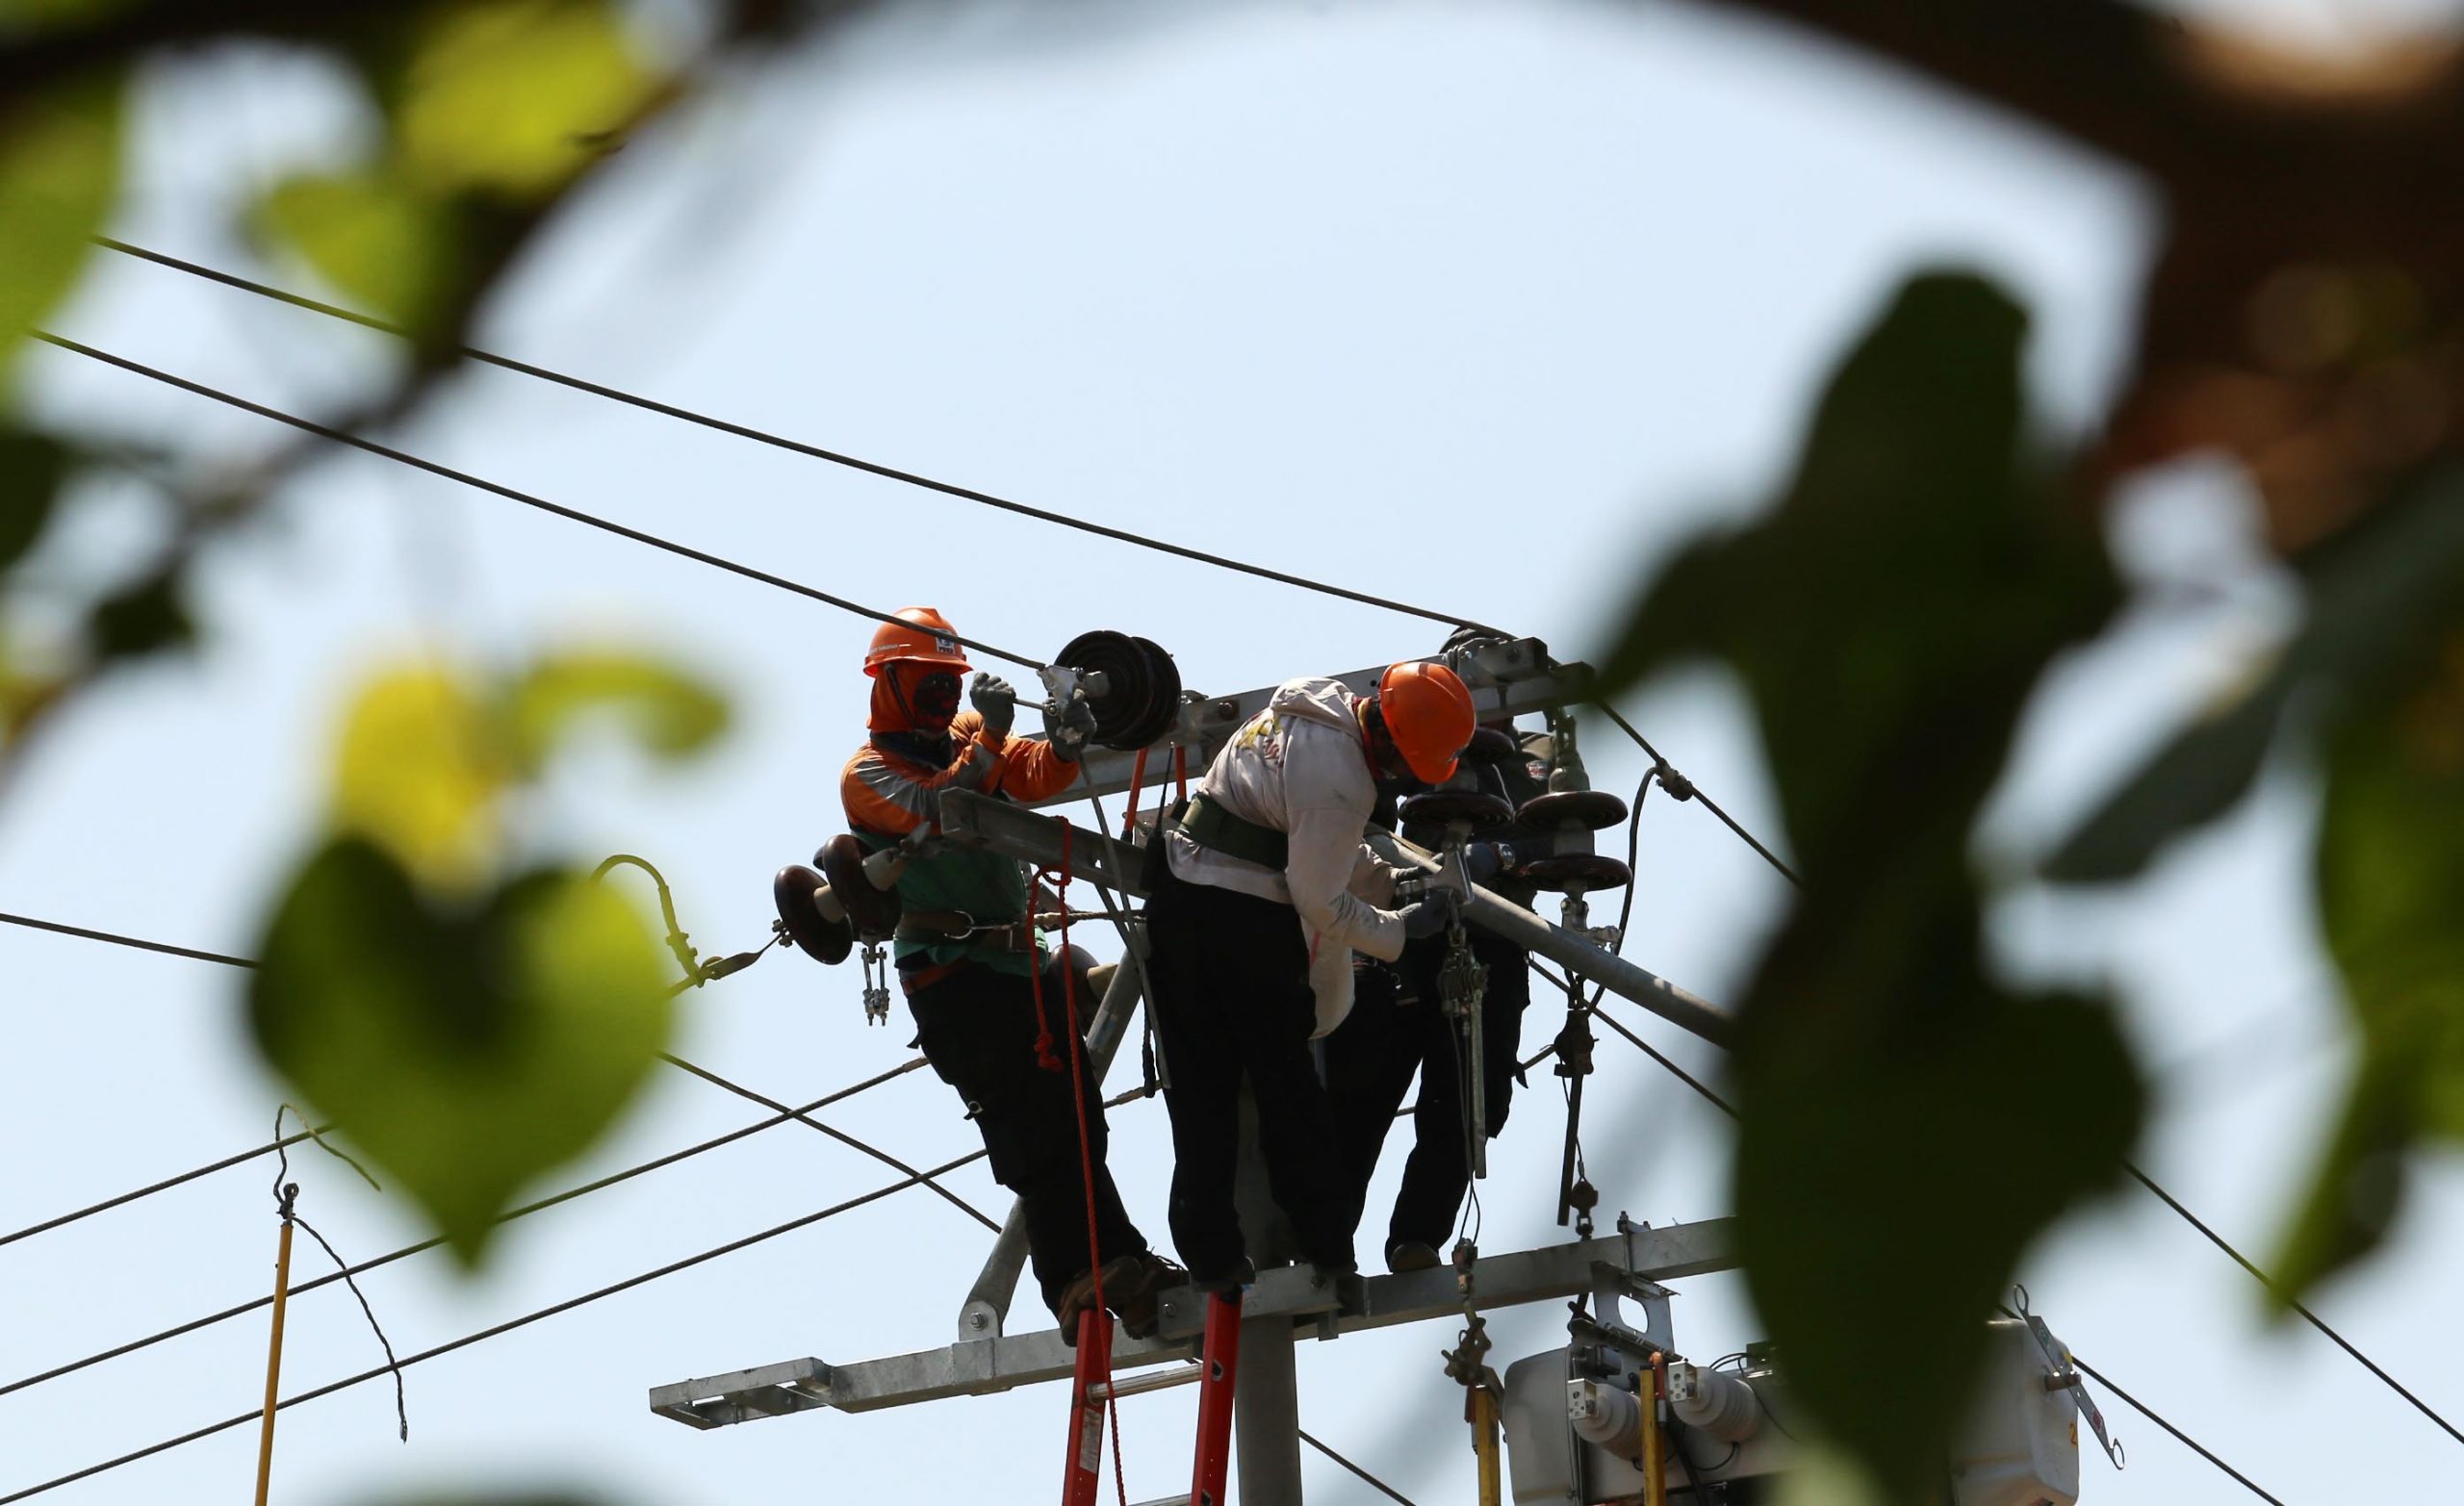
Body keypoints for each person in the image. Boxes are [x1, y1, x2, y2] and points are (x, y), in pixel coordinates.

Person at [840, 606, 1175, 1338]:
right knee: (1034, 1132)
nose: (944, 700)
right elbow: (940, 808)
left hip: (1022, 965)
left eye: (948, 686)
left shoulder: (966, 737)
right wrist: (990, 736)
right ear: (888, 684)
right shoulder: (868, 775)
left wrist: (1063, 742)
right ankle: (1079, 1276)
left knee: (1078, 1118)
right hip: (954, 975)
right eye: (929, 686)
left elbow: (1029, 775)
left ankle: (1115, 1261)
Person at [1142, 661, 1479, 1289]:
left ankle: (1212, 1256)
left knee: (1200, 1091)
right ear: (1391, 738)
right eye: (1404, 765)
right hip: (1241, 920)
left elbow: (1317, 835)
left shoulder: (1314, 712)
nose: (1398, 779)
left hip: (1181, 901)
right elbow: (1319, 899)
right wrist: (1399, 929)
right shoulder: (1344, 776)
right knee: (1287, 1091)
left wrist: (1389, 880)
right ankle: (1328, 1251)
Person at [1323, 707, 1547, 1273]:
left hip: (1495, 940)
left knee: (1470, 1095)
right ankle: (1321, 1241)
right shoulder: (1419, 729)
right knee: (1361, 1088)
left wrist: (1501, 855)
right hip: (1407, 927)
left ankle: (1417, 1236)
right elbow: (1364, 805)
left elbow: (1561, 831)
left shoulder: (1538, 755)